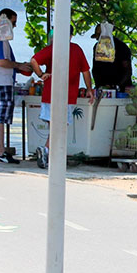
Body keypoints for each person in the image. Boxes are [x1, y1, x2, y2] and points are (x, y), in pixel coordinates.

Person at [30, 25, 95, 169]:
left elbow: (33, 60)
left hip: (49, 94)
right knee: (59, 127)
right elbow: (85, 72)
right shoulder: (76, 49)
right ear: (71, 35)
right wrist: (90, 89)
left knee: (54, 126)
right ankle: (48, 151)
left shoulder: (53, 48)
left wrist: (41, 75)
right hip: (66, 95)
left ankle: (51, 154)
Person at [0, 8, 32, 164]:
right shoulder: (0, 38)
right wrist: (19, 65)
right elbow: (1, 62)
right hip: (2, 81)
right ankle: (0, 151)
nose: (15, 26)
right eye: (14, 22)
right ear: (5, 20)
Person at [90, 24, 133, 91]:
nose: (97, 39)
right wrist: (99, 85)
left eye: (99, 36)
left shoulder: (121, 47)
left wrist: (117, 86)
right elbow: (95, 69)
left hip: (121, 88)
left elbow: (127, 71)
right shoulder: (97, 47)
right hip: (103, 88)